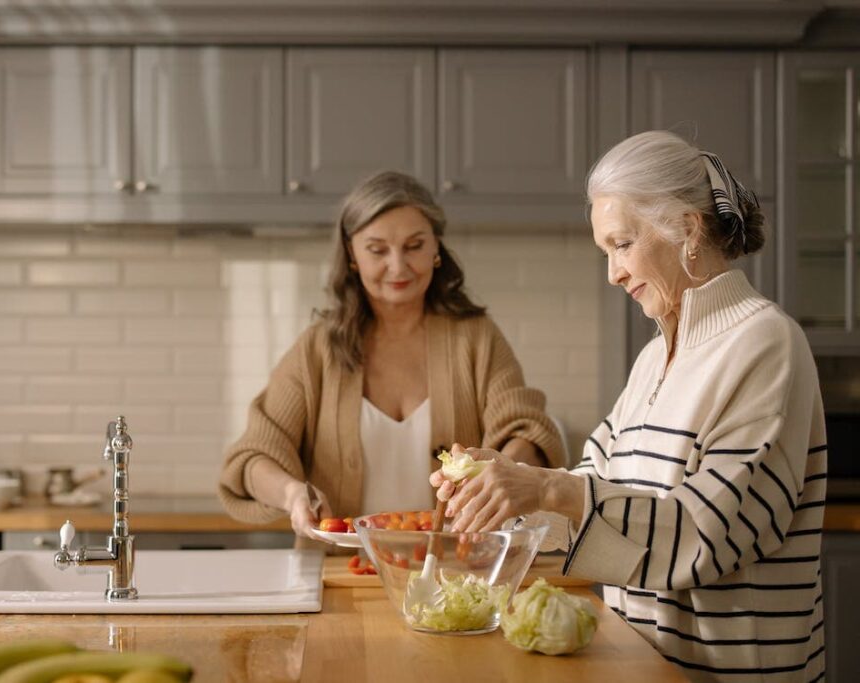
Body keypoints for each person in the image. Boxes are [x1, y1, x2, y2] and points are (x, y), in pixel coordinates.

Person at [433, 132, 826, 681]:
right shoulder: (653, 359)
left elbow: (709, 536)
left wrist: (546, 488)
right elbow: (594, 497)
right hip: (640, 668)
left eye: (622, 244)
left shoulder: (765, 342)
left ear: (687, 230)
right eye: (606, 252)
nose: (613, 273)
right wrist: (505, 484)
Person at [218, 170, 565, 541]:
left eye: (414, 246)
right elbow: (253, 457)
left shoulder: (476, 338)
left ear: (436, 248)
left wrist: (505, 472)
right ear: (352, 254)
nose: (398, 266)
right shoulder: (318, 349)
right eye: (378, 250)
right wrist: (292, 493)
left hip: (457, 574)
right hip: (341, 572)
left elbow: (526, 431)